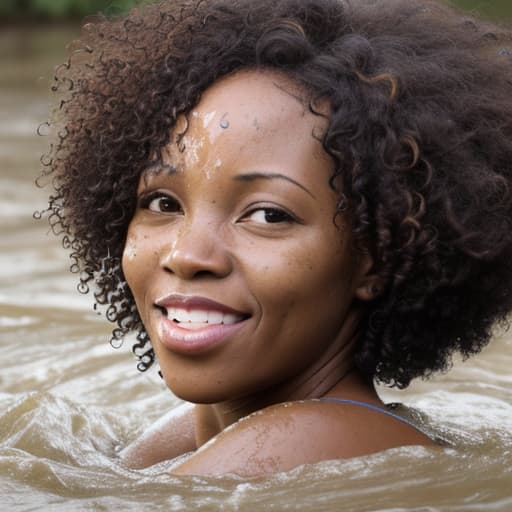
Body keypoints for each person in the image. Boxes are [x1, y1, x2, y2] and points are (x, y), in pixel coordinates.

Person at [39, 0, 512, 477]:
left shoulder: (305, 439)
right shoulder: (199, 433)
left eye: (267, 214)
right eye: (164, 204)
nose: (187, 255)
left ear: (376, 260)